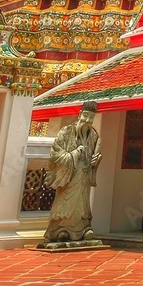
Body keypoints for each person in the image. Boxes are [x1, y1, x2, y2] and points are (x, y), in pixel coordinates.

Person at [41, 100, 102, 245]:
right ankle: (59, 229)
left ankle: (83, 229)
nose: (88, 121)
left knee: (83, 204)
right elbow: (56, 154)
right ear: (80, 114)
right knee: (66, 202)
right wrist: (74, 155)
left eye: (91, 118)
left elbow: (94, 155)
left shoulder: (93, 136)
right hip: (69, 176)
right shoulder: (66, 132)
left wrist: (96, 161)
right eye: (86, 116)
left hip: (85, 177)